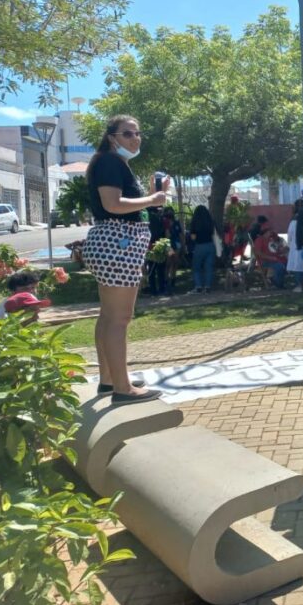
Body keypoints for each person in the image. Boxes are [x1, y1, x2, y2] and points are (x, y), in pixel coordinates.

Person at [82, 115, 164, 403]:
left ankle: (109, 380)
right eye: (127, 134)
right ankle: (123, 388)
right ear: (112, 137)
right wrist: (152, 200)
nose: (135, 138)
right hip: (118, 244)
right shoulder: (110, 162)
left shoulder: (109, 162)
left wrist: (150, 198)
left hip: (111, 244)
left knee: (108, 316)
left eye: (137, 133)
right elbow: (113, 204)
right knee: (119, 319)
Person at [252, 216, 288, 288]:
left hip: (275, 259)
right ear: (265, 232)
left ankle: (276, 281)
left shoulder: (271, 239)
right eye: (269, 231)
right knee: (280, 267)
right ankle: (278, 283)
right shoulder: (260, 240)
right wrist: (271, 258)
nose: (271, 232)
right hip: (266, 261)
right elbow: (258, 253)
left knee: (287, 263)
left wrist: (283, 250)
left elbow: (276, 249)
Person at [188, 205, 217, 293]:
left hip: (199, 246)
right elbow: (213, 234)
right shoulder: (210, 222)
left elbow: (193, 237)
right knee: (209, 267)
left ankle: (198, 286)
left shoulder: (195, 222)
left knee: (196, 267)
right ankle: (207, 287)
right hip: (210, 245)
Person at [161, 206, 183, 293]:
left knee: (175, 263)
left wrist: (183, 244)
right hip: (168, 245)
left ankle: (173, 280)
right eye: (168, 212)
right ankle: (166, 281)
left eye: (171, 211)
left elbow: (180, 234)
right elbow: (166, 235)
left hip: (176, 244)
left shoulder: (176, 222)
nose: (170, 213)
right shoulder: (164, 222)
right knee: (168, 263)